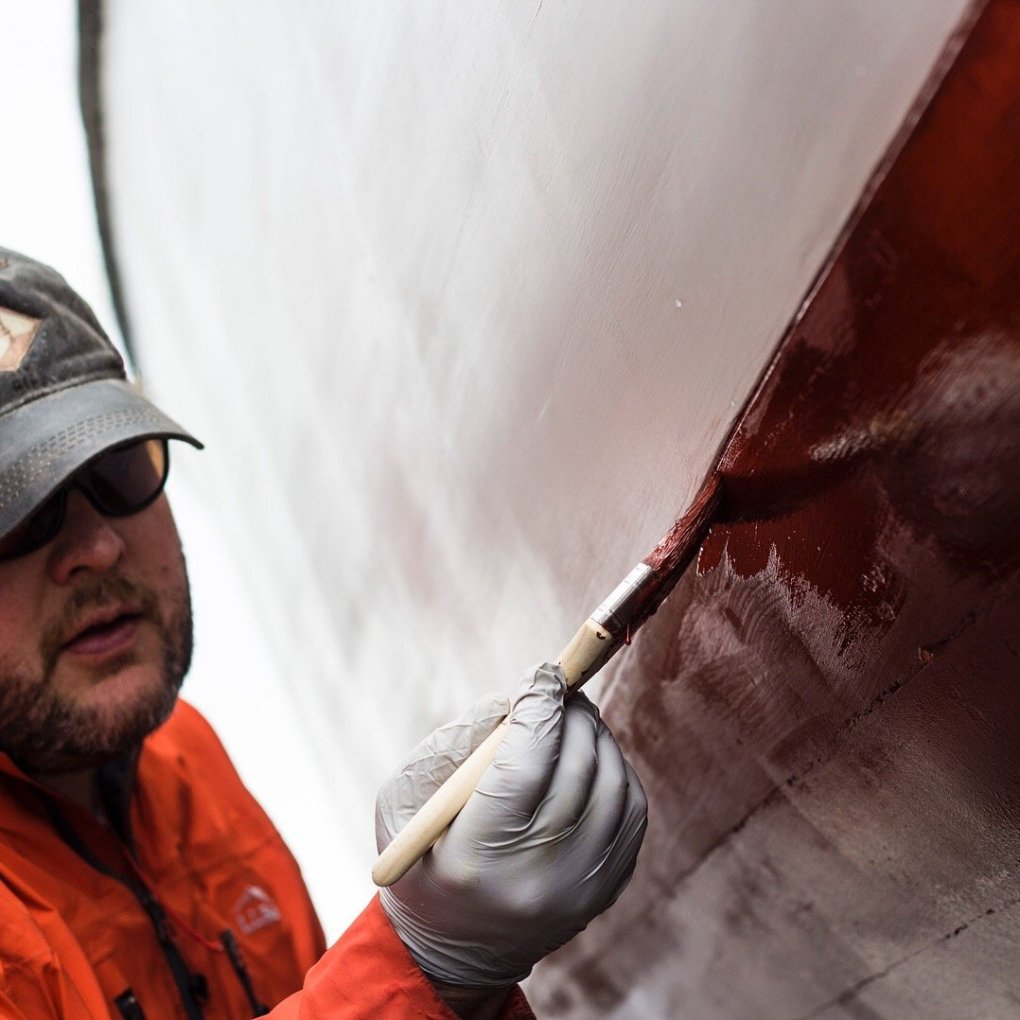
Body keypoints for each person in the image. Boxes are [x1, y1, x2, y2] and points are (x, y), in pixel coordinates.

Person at [0, 247, 647, 1019]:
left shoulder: (182, 760)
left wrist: (459, 993)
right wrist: (424, 969)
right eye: (16, 514)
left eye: (117, 471)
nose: (98, 546)